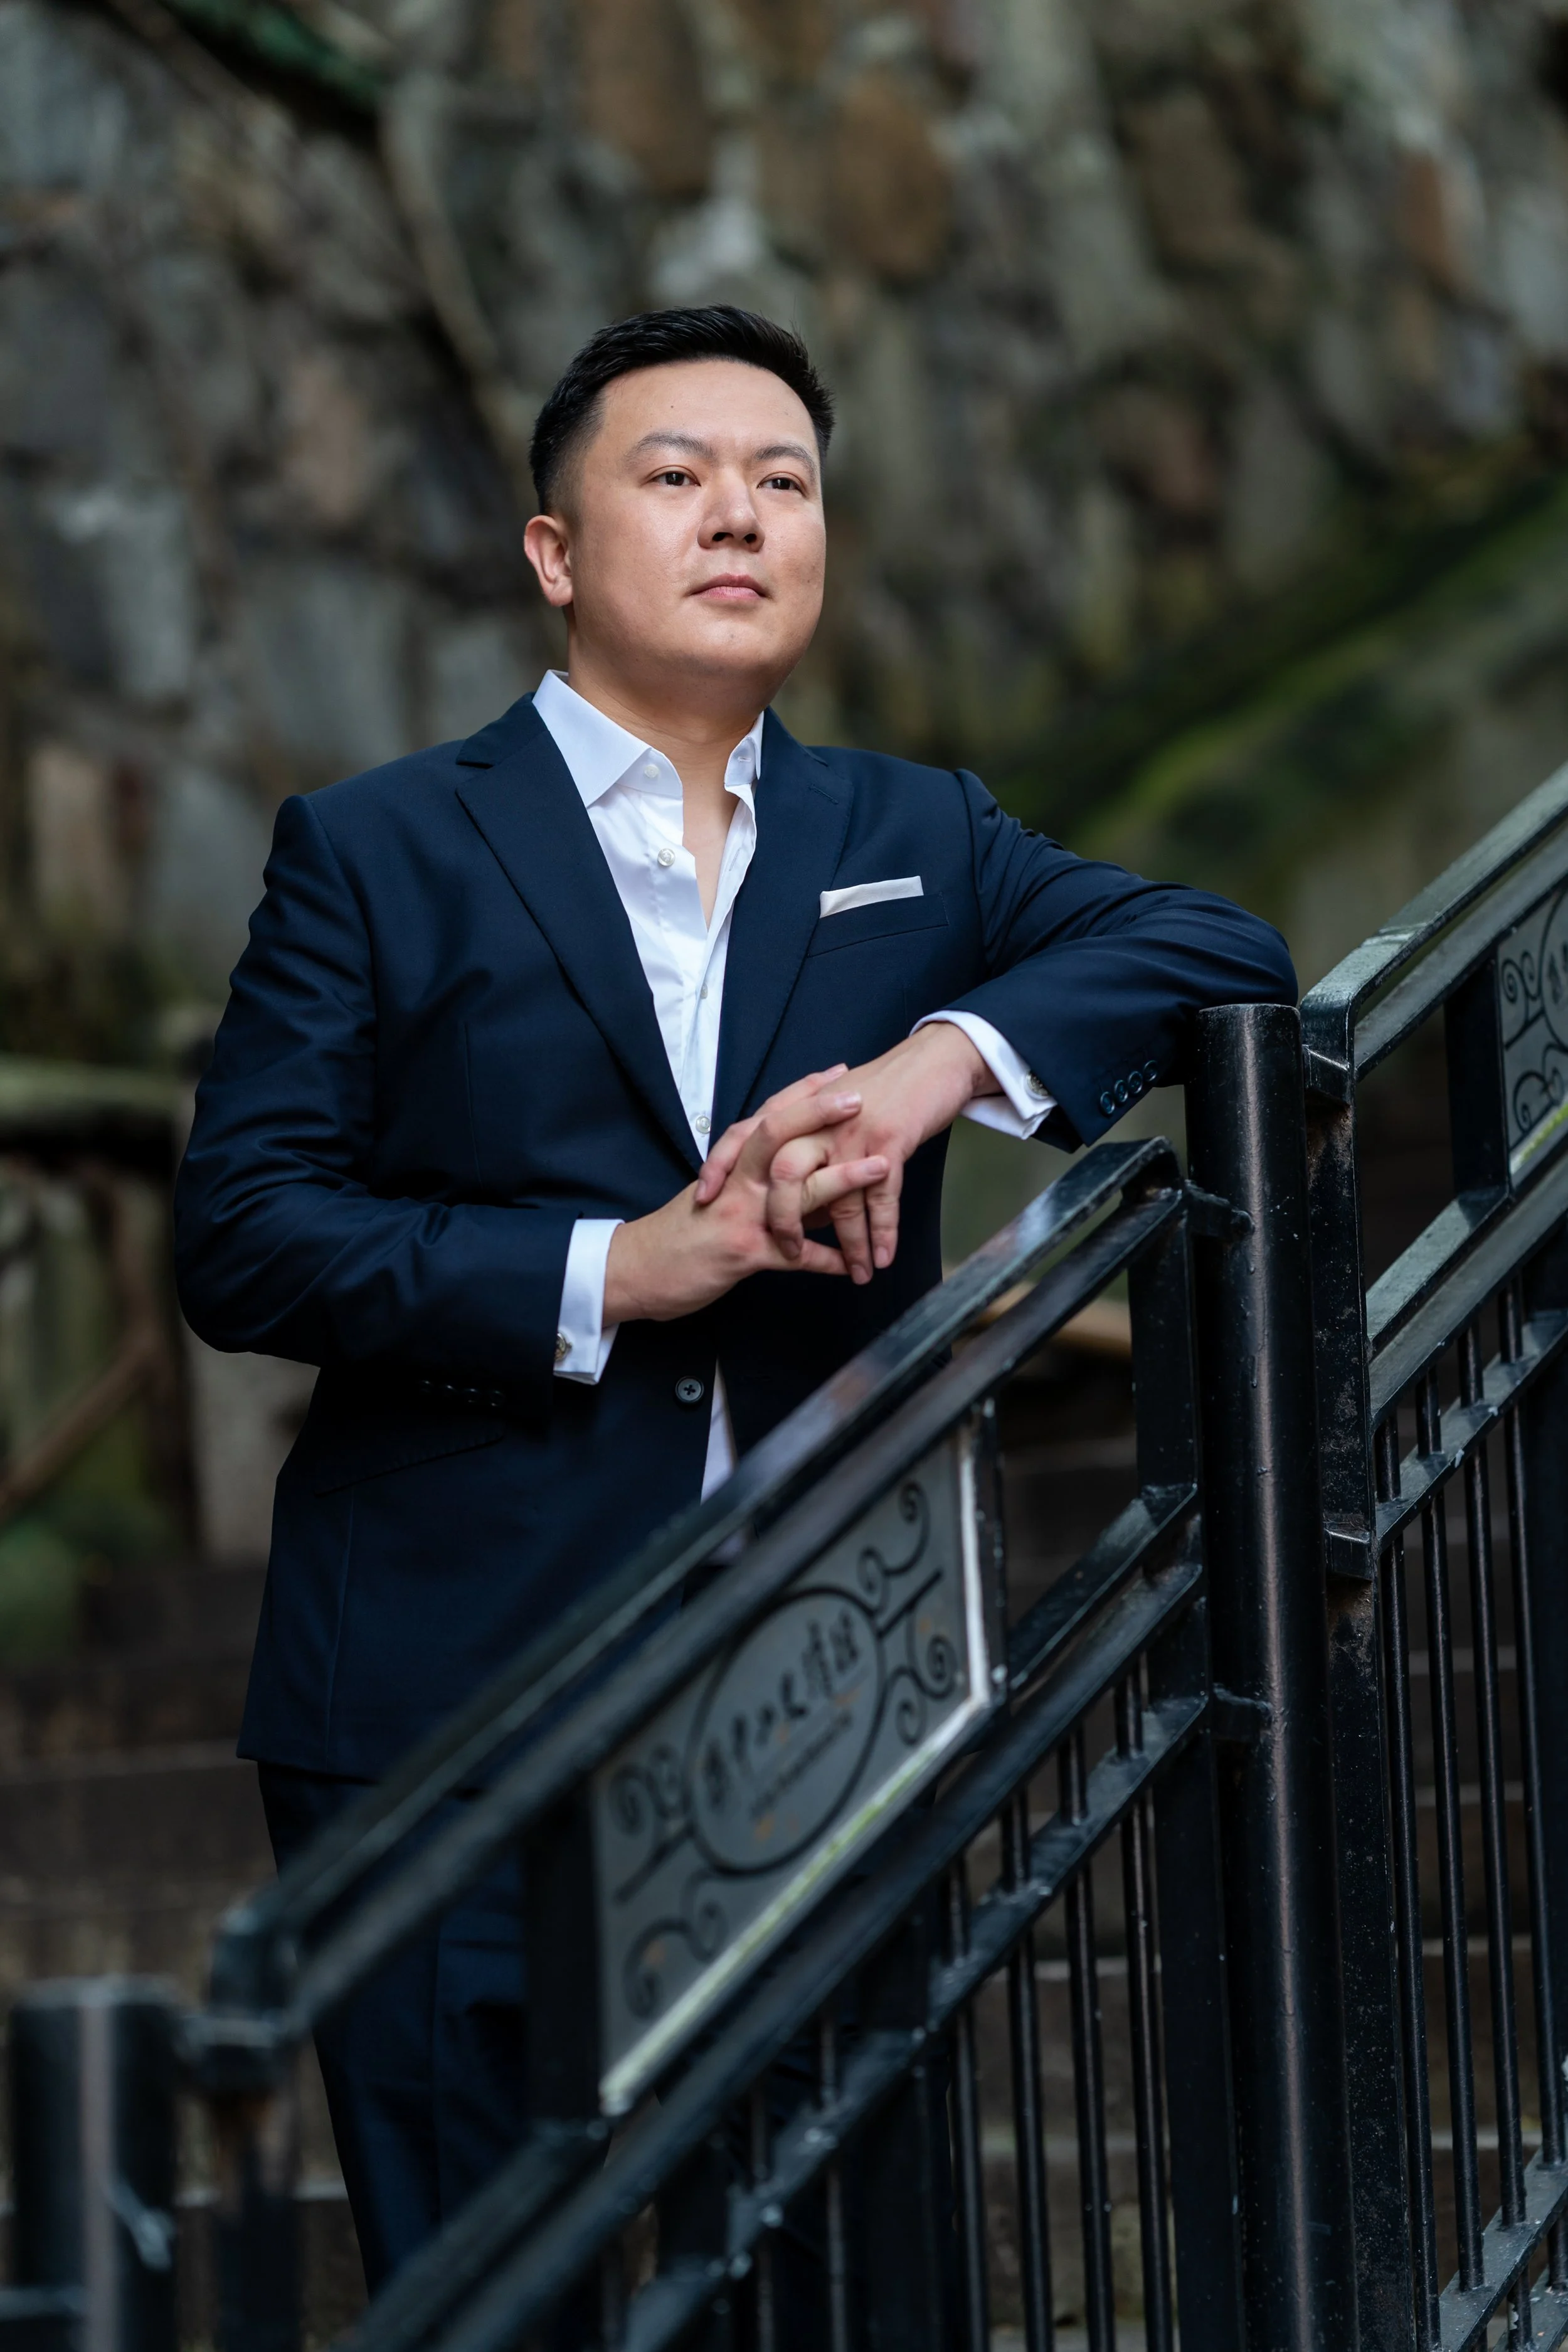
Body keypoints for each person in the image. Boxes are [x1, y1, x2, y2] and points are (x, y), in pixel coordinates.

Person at [174, 304, 1295, 2297]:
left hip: (821, 1678)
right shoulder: (376, 847)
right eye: (677, 474)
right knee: (491, 2288)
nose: (740, 515)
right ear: (553, 551)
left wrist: (934, 1065)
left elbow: (1224, 947)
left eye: (784, 481)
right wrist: (621, 1265)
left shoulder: (916, 836)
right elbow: (246, 1232)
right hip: (444, 1695)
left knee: (850, 2271)